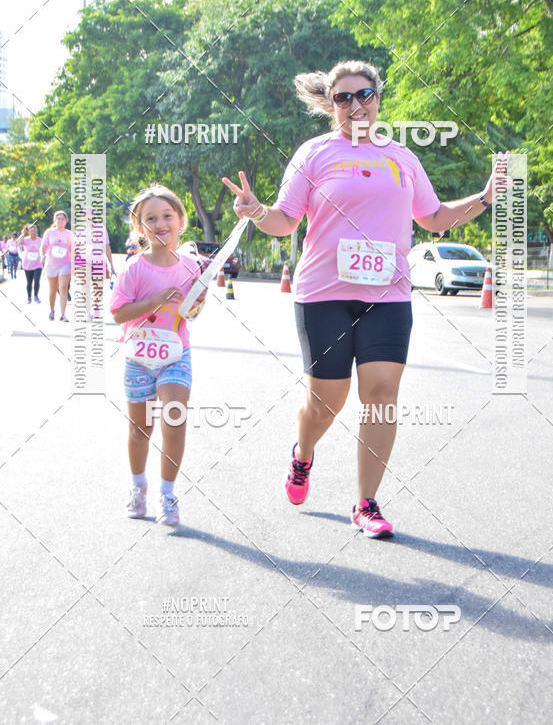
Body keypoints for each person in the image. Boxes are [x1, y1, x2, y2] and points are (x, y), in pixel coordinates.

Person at [223, 59, 508, 539]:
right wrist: (255, 211)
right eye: (344, 97)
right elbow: (285, 220)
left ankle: (367, 503)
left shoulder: (401, 157)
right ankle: (303, 454)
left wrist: (484, 197)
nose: (356, 105)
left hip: (388, 297)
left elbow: (434, 218)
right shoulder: (314, 154)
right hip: (323, 295)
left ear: (378, 98)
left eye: (365, 94)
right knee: (327, 402)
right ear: (331, 104)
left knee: (380, 397)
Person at [110, 185, 206, 526]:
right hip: (138, 356)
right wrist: (154, 302)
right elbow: (118, 313)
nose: (160, 222)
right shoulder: (134, 268)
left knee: (175, 421)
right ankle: (139, 488)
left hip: (176, 354)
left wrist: (197, 303)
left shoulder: (192, 266)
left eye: (167, 215)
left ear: (180, 220)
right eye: (150, 218)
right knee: (140, 430)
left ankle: (168, 494)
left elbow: (192, 312)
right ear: (140, 228)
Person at [41, 211, 72, 321]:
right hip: (51, 264)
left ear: (66, 221)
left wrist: (75, 263)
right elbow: (44, 245)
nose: (60, 220)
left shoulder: (69, 234)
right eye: (58, 218)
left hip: (65, 264)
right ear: (55, 220)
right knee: (53, 289)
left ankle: (63, 314)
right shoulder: (49, 232)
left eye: (62, 219)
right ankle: (52, 310)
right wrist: (42, 255)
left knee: (63, 288)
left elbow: (73, 250)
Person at [18, 223, 43, 303]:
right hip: (27, 265)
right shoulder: (25, 240)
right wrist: (22, 233)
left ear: (36, 231)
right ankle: (29, 297)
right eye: (31, 231)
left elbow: (44, 250)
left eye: (34, 230)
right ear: (29, 232)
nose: (33, 232)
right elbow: (18, 242)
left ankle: (36, 296)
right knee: (29, 282)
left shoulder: (40, 240)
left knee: (36, 281)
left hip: (38, 264)